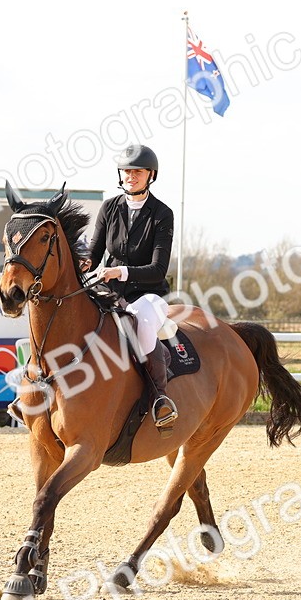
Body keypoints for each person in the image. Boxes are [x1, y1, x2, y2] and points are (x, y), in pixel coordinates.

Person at [85, 143, 178, 430]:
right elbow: (94, 251)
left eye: (137, 171)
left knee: (142, 323)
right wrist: (83, 264)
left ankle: (159, 397)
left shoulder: (162, 214)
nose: (131, 176)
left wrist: (120, 272)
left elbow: (158, 268)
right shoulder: (109, 207)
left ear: (151, 175)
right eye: (126, 170)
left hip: (147, 294)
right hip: (109, 293)